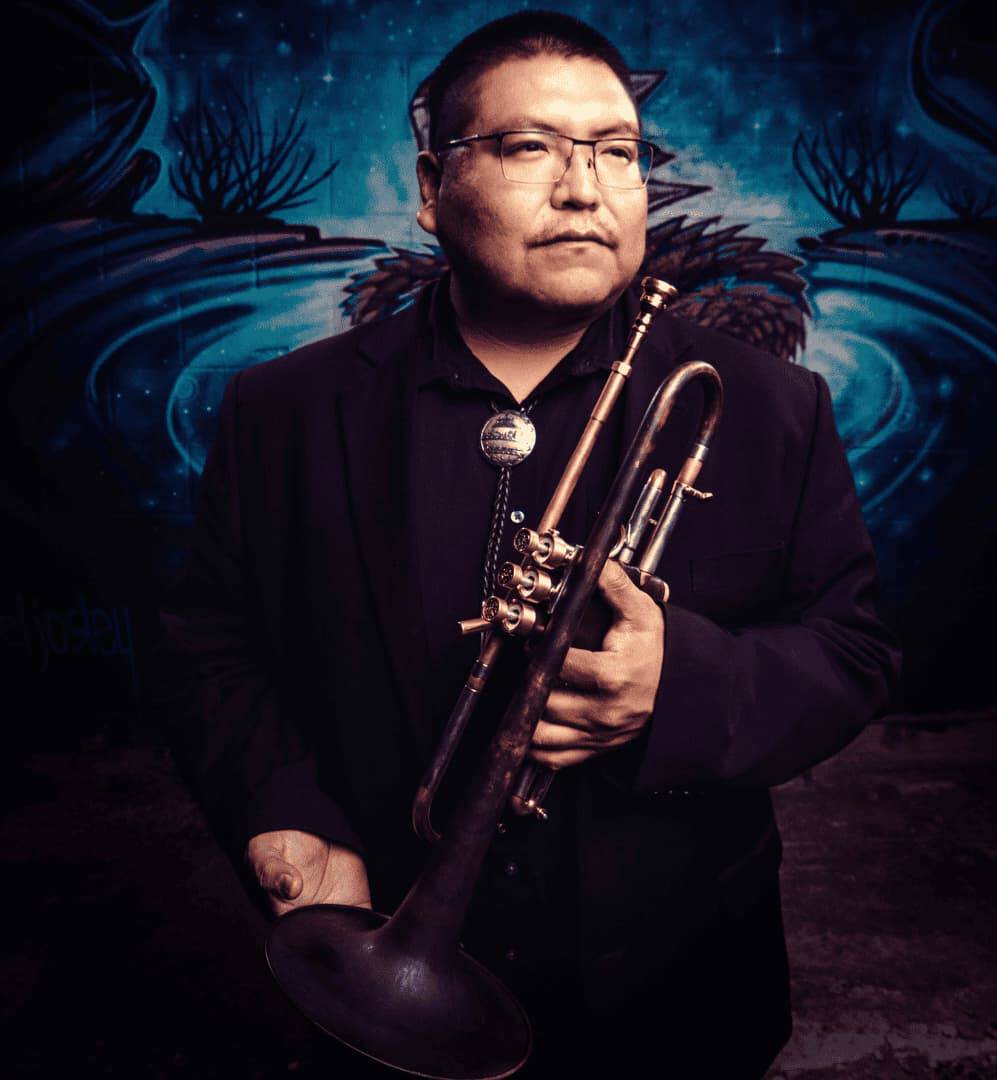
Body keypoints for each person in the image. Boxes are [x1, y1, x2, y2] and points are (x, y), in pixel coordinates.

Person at [158, 10, 901, 1078]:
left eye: (617, 153)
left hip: (675, 983)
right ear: (429, 187)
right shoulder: (283, 410)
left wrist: (679, 683)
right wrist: (283, 820)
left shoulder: (775, 405)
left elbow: (856, 650)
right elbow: (208, 643)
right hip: (374, 961)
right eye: (527, 148)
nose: (583, 189)